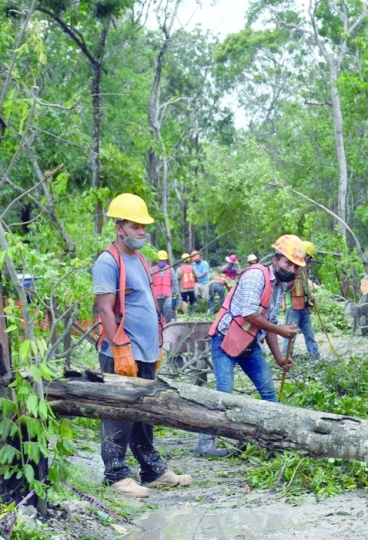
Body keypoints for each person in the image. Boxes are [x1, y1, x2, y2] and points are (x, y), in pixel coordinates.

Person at [91, 193, 192, 498]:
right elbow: (105, 309)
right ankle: (116, 475)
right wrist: (121, 348)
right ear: (119, 227)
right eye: (135, 226)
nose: (141, 232)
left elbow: (146, 306)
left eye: (144, 227)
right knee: (119, 412)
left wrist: (155, 346)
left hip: (145, 351)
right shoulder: (108, 261)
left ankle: (152, 471)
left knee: (143, 413)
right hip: (122, 351)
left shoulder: (141, 260)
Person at [203, 235, 299, 456]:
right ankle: (205, 444)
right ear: (275, 260)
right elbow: (248, 313)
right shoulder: (256, 275)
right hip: (225, 339)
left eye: (295, 266)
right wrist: (281, 330)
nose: (291, 269)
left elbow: (270, 324)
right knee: (224, 395)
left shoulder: (280, 287)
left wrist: (279, 359)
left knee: (269, 393)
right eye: (287, 263)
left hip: (249, 343)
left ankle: (274, 441)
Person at [279, 247, 320, 361]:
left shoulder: (303, 270)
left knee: (310, 335)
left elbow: (305, 287)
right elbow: (285, 287)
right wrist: (294, 277)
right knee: (290, 335)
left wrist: (310, 297)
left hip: (304, 307)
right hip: (292, 307)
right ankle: (285, 358)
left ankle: (315, 358)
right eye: (308, 257)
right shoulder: (290, 269)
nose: (308, 260)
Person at [151, 250, 178, 323]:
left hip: (167, 294)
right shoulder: (153, 270)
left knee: (168, 307)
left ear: (166, 261)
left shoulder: (170, 269)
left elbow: (175, 283)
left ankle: (167, 323)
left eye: (163, 260)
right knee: (158, 311)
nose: (161, 262)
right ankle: (159, 324)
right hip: (157, 295)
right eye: (160, 260)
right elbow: (150, 283)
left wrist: (175, 294)